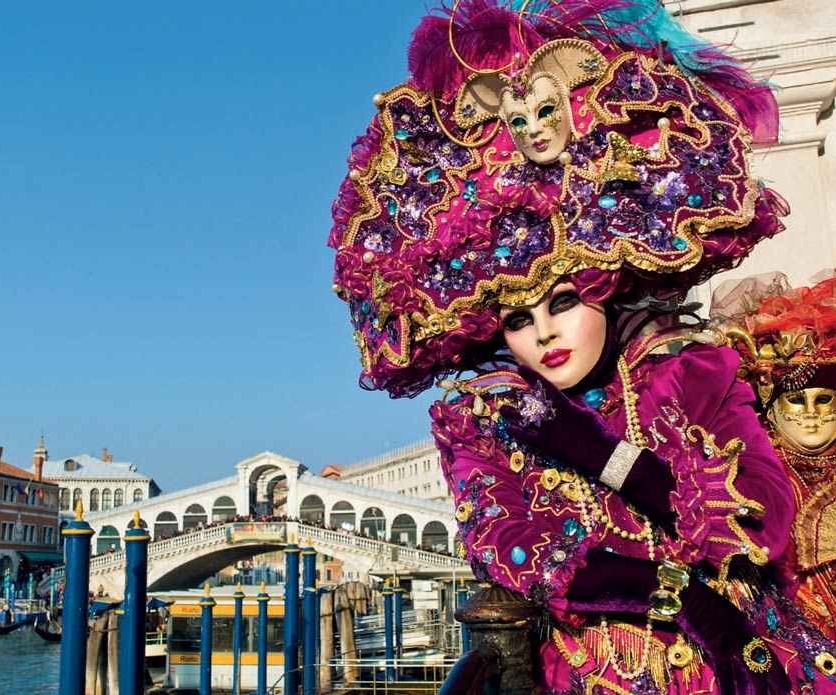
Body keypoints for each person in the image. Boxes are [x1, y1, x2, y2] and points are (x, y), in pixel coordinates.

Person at [327, 1, 836, 692]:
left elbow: (763, 517)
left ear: (601, 288)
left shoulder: (688, 371)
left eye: (562, 302)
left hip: (733, 659)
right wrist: (678, 593)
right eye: (516, 318)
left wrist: (607, 457)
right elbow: (520, 550)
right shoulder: (486, 416)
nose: (542, 332)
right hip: (597, 671)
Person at [713, 272, 836, 640]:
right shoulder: (750, 470)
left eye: (825, 399)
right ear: (771, 402)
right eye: (797, 400)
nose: (811, 414)